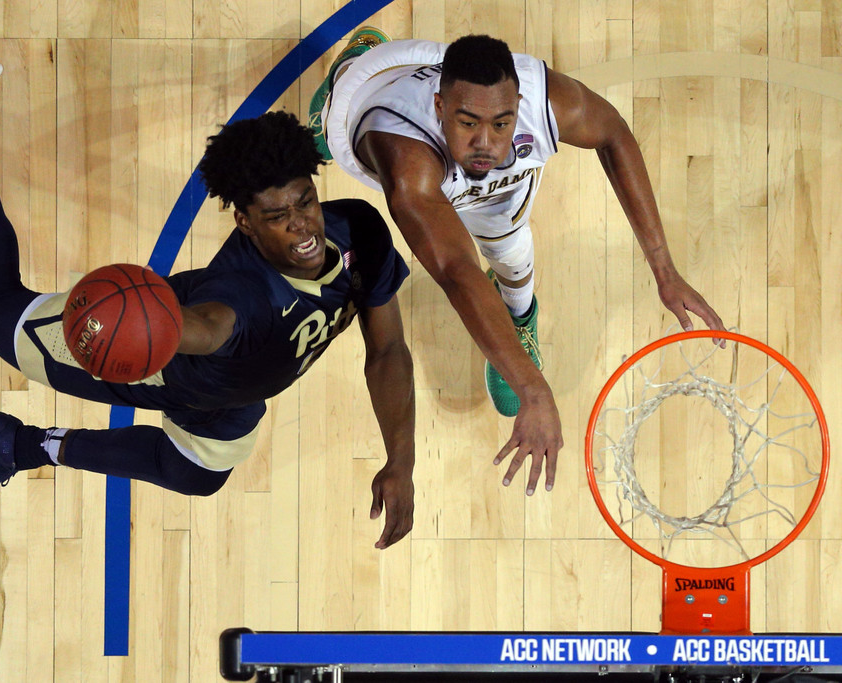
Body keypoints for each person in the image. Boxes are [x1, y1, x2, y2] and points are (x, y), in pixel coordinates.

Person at [0, 38, 417, 549]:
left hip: (235, 391)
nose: (302, 227)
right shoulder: (236, 304)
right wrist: (150, 328)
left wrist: (401, 458)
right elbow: (205, 328)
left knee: (197, 475)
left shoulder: (358, 229)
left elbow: (387, 349)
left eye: (306, 202)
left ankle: (13, 445)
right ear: (245, 223)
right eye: (278, 217)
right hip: (165, 360)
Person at [308, 30, 726, 496]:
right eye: (468, 124)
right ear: (442, 106)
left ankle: (520, 316)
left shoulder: (543, 99)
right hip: (375, 97)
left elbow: (613, 134)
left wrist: (665, 272)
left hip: (487, 183)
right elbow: (455, 270)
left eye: (501, 124)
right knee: (333, 119)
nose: (485, 143)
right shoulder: (403, 155)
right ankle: (354, 59)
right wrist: (533, 388)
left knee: (512, 253)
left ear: (518, 105)